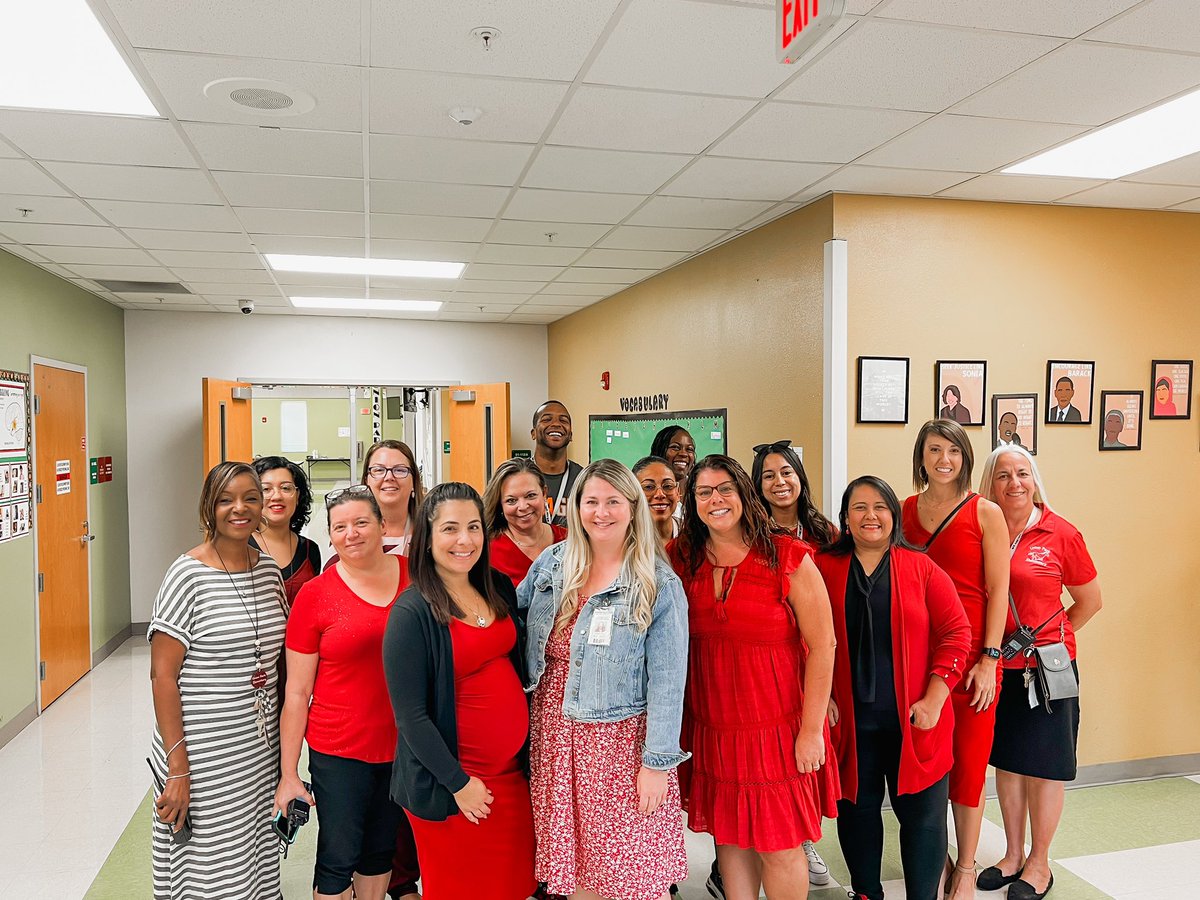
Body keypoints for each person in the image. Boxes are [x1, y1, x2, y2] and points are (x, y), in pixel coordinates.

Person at [669, 454, 838, 900]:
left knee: (780, 849)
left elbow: (824, 647)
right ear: (693, 503)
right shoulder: (681, 559)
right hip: (714, 729)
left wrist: (810, 732)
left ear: (744, 494)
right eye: (703, 492)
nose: (715, 499)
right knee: (731, 842)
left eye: (725, 488)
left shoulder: (787, 557)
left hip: (778, 731)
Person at [519, 458, 689, 900]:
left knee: (629, 874)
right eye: (590, 501)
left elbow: (669, 682)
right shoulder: (552, 564)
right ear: (575, 507)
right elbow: (509, 621)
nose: (601, 512)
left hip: (620, 747)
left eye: (613, 501)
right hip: (554, 738)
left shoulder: (657, 582)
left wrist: (656, 764)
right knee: (574, 868)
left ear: (632, 507)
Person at [813, 475, 971, 900]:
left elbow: (957, 633)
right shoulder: (824, 568)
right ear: (845, 517)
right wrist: (821, 695)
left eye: (880, 506)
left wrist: (936, 698)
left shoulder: (921, 567)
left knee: (923, 820)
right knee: (857, 813)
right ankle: (865, 892)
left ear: (894, 515)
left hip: (916, 720)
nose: (870, 515)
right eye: (859, 507)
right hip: (850, 721)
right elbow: (801, 638)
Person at [384, 483, 536, 900]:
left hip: (510, 778)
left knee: (513, 886)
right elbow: (411, 718)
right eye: (450, 529)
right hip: (451, 786)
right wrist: (459, 783)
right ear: (427, 537)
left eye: (473, 527)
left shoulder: (498, 586)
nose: (465, 540)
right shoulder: (411, 612)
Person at [148, 461, 289, 900]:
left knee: (254, 855)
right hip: (202, 752)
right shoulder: (186, 575)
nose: (239, 508)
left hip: (256, 748)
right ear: (209, 507)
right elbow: (162, 676)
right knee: (210, 866)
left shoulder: (268, 571)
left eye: (250, 497)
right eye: (226, 499)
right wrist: (177, 768)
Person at [274, 485, 413, 900]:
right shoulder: (316, 596)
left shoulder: (416, 576)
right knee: (338, 856)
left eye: (361, 522)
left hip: (401, 746)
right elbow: (296, 693)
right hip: (339, 751)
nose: (351, 533)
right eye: (340, 527)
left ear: (382, 525)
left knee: (380, 852)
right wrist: (288, 774)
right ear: (331, 536)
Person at [976, 447, 1101, 900]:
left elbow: (1089, 601)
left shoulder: (1060, 532)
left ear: (1035, 479)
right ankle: (1012, 854)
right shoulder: (979, 529)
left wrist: (1050, 637)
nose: (1014, 484)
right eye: (1003, 475)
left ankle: (1039, 863)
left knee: (1045, 769)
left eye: (1022, 474)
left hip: (1048, 672)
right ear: (989, 483)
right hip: (997, 667)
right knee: (1009, 764)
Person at [902, 421, 1009, 900]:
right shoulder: (902, 510)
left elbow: (998, 590)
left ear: (966, 457)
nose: (943, 459)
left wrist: (989, 658)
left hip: (971, 665)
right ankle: (936, 852)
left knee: (968, 766)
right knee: (922, 765)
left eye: (953, 450)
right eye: (934, 450)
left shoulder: (985, 513)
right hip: (913, 663)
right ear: (921, 456)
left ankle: (965, 866)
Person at [484, 457, 566, 587]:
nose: (522, 506)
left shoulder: (569, 540)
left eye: (530, 496)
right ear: (500, 504)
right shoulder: (487, 550)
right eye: (511, 500)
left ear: (544, 494)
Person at [251, 455, 321, 604]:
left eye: (285, 488)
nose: (276, 496)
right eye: (266, 489)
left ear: (297, 496)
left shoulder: (310, 550)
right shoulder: (238, 546)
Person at [364, 439, 425, 556]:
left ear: (414, 481)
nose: (389, 477)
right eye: (379, 470)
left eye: (400, 470)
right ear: (367, 480)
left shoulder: (432, 533)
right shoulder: (351, 534)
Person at [531, 400, 583, 528]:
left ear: (570, 435)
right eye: (547, 419)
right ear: (533, 433)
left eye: (563, 420)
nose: (556, 424)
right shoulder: (516, 475)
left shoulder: (582, 478)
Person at [633, 454, 681, 542]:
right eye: (648, 487)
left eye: (667, 486)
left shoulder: (694, 535)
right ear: (633, 493)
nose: (660, 494)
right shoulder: (623, 539)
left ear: (678, 492)